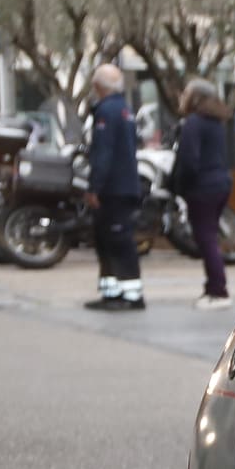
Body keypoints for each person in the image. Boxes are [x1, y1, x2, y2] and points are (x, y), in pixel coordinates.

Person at [82, 65, 144, 312]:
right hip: (124, 185)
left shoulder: (107, 111)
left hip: (113, 189)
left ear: (99, 86)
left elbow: (104, 154)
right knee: (107, 240)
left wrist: (94, 187)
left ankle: (131, 295)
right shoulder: (124, 108)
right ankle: (112, 292)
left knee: (117, 241)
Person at [174, 79, 235, 309]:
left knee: (206, 238)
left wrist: (181, 186)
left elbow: (189, 161)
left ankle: (218, 291)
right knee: (209, 236)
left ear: (195, 97)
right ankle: (212, 287)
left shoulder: (193, 123)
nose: (183, 96)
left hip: (202, 187)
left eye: (187, 92)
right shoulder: (216, 123)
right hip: (221, 183)